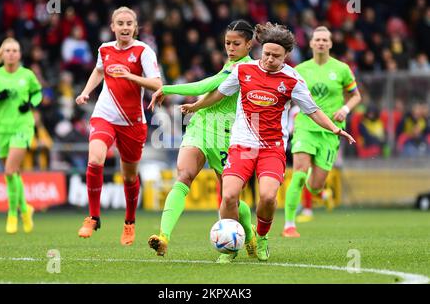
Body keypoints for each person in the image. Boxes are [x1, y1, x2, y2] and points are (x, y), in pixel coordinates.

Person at [180, 22, 355, 261]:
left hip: (272, 149)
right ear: (261, 49)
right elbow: (219, 93)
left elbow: (313, 110)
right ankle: (229, 249)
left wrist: (335, 128)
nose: (270, 59)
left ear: (286, 56)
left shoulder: (292, 80)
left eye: (276, 56)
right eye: (267, 54)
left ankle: (261, 237)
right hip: (241, 145)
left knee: (269, 197)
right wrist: (195, 105)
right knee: (229, 195)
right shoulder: (243, 71)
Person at [147, 20, 257, 264]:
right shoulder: (229, 64)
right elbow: (210, 91)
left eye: (236, 43)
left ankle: (247, 233)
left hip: (226, 136)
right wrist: (196, 107)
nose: (230, 47)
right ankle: (164, 236)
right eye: (227, 43)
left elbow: (205, 85)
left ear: (249, 44)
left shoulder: (245, 68)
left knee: (230, 199)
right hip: (201, 127)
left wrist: (167, 88)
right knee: (184, 175)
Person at [75, 7, 162, 245]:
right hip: (105, 115)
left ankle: (130, 223)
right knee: (95, 159)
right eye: (120, 23)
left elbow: (157, 83)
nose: (125, 27)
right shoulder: (104, 49)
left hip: (133, 122)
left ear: (135, 27)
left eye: (129, 23)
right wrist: (85, 92)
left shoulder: (144, 51)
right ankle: (93, 216)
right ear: (112, 26)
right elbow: (99, 70)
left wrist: (131, 76)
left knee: (129, 177)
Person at [283, 26, 361, 234]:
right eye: (317, 39)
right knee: (298, 173)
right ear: (310, 43)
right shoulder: (300, 70)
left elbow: (356, 96)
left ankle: (320, 193)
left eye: (325, 40)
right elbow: (287, 97)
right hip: (306, 127)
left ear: (330, 43)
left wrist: (345, 108)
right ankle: (289, 225)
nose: (321, 43)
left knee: (315, 185)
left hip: (331, 131)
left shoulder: (342, 69)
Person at [0, 37, 42, 234]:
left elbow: (38, 93)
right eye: (7, 50)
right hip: (2, 129)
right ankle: (26, 209)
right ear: (2, 53)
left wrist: (31, 103)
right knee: (13, 174)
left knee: (8, 171)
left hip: (23, 127)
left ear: (20, 54)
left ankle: (12, 214)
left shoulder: (27, 75)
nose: (11, 53)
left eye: (15, 50)